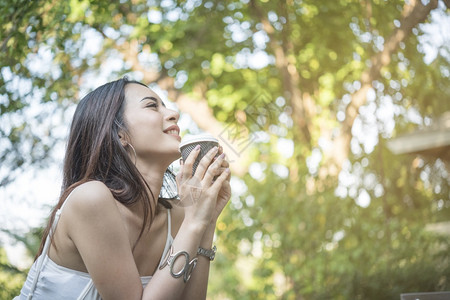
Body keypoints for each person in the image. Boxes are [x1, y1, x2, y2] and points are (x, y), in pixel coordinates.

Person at [15, 77, 231, 299]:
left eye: (165, 105)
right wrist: (194, 222)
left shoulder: (176, 217)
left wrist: (207, 220)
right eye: (151, 105)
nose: (173, 113)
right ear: (120, 134)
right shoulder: (90, 199)